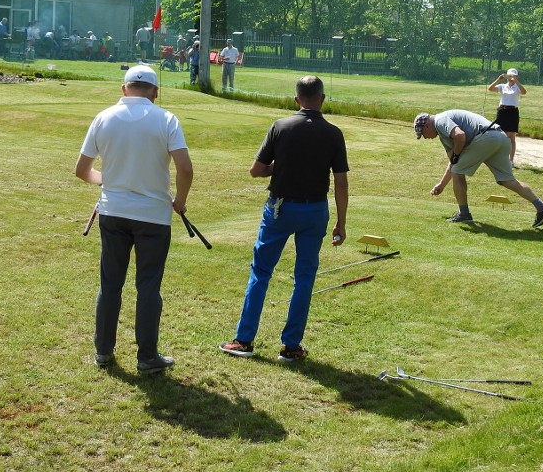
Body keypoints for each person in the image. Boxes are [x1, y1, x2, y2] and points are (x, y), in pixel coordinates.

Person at [220, 75, 349, 362]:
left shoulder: (280, 127)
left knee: (261, 272)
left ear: (296, 99)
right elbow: (341, 182)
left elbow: (256, 170)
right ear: (323, 99)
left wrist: (276, 169)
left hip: (280, 209)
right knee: (304, 277)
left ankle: (243, 340)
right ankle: (292, 346)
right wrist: (341, 222)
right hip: (316, 211)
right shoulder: (334, 133)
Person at [75, 64, 194, 374]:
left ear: (124, 89)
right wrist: (179, 201)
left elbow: (82, 170)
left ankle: (103, 350)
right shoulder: (166, 119)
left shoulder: (103, 117)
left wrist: (107, 180)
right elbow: (185, 168)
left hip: (113, 212)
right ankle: (146, 356)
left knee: (110, 285)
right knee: (148, 287)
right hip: (153, 216)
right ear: (155, 92)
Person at [414, 110, 543, 228]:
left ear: (427, 125)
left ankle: (464, 214)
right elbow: (453, 161)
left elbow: (460, 136)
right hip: (501, 137)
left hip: (487, 137)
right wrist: (442, 184)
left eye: (422, 134)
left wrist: (457, 154)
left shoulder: (440, 120)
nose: (425, 138)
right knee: (507, 180)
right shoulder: (443, 134)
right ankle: (542, 208)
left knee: (458, 172)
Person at [488, 68, 526, 162]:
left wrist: (516, 81)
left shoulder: (517, 87)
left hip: (512, 112)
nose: (511, 78)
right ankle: (499, 156)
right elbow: (490, 89)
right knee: (500, 134)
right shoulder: (503, 86)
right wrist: (498, 79)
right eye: (509, 76)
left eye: (513, 76)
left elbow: (524, 92)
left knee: (511, 136)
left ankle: (511, 159)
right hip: (502, 111)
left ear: (516, 76)